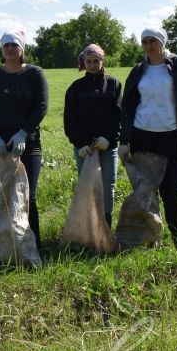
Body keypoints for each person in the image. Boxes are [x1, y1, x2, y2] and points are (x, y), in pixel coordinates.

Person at [118, 27, 177, 246]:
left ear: (162, 42)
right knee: (145, 191)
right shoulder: (138, 70)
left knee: (172, 191)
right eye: (145, 41)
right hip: (143, 137)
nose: (149, 45)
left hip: (171, 138)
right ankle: (150, 239)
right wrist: (124, 141)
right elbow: (128, 107)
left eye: (153, 41)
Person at [0, 29, 48, 247]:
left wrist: (23, 133)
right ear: (1, 48)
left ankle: (32, 245)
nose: (10, 48)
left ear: (22, 49)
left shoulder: (35, 74)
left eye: (14, 45)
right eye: (6, 45)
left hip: (28, 145)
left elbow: (41, 106)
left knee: (28, 195)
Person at [63, 43, 122, 227]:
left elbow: (119, 115)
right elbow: (70, 119)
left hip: (107, 147)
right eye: (88, 61)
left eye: (96, 61)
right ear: (84, 63)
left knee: (107, 188)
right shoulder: (76, 88)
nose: (92, 65)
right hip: (85, 149)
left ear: (102, 61)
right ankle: (89, 228)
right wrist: (80, 143)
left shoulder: (113, 84)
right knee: (87, 187)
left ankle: (106, 226)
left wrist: (108, 137)